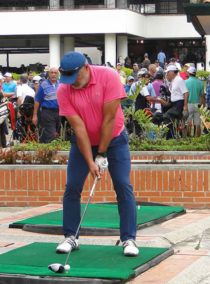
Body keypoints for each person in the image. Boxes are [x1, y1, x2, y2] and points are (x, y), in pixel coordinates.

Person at [56, 51, 138, 257]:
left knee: (122, 184)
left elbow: (109, 119)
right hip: (83, 142)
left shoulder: (108, 76)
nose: (72, 83)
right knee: (73, 186)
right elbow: (79, 128)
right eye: (68, 79)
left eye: (75, 78)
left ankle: (129, 239)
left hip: (115, 139)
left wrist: (101, 154)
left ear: (85, 68)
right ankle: (70, 236)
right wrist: (90, 161)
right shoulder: (64, 90)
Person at [32, 67, 60, 143]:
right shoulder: (43, 85)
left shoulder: (60, 84)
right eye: (52, 72)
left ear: (58, 74)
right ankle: (51, 151)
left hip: (59, 112)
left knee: (58, 134)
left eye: (55, 73)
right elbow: (37, 100)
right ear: (49, 74)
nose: (54, 74)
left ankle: (45, 148)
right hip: (47, 112)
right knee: (51, 135)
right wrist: (35, 115)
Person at [163, 65, 189, 138]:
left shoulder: (179, 80)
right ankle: (171, 135)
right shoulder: (173, 81)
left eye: (168, 72)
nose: (167, 74)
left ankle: (170, 136)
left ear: (172, 72)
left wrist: (185, 105)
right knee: (170, 119)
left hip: (179, 103)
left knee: (167, 116)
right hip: (174, 103)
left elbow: (186, 92)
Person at [185, 67, 205, 137]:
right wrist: (203, 106)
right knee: (198, 123)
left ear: (189, 73)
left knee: (188, 122)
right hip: (198, 104)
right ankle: (198, 139)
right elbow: (202, 96)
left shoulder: (185, 82)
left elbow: (184, 94)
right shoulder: (200, 82)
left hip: (188, 104)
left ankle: (188, 138)